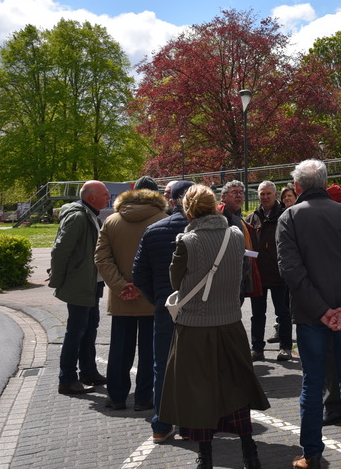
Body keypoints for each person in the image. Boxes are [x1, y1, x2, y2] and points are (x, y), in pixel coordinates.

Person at [159, 185, 269, 469]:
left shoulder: (186, 242)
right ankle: (251, 453)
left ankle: (205, 458)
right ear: (214, 205)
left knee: (199, 395)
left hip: (194, 328)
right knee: (236, 391)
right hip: (231, 323)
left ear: (188, 210)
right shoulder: (235, 235)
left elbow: (176, 283)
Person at [277, 159, 341, 469]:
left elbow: (290, 270)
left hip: (310, 315)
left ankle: (312, 455)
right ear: (325, 182)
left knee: (313, 383)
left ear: (299, 186)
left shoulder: (289, 217)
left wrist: (321, 310)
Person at [94, 176, 167, 411]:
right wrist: (141, 285)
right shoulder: (164, 221)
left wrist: (121, 286)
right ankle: (144, 397)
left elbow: (101, 258)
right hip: (151, 297)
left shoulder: (112, 221)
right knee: (149, 350)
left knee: (119, 348)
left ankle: (116, 396)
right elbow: (165, 262)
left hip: (121, 297)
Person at [133, 179, 195, 444]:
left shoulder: (154, 231)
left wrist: (157, 298)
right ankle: (192, 425)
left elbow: (139, 274)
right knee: (195, 367)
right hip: (199, 311)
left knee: (163, 367)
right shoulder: (208, 231)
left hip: (165, 308)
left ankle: (161, 424)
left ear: (172, 201)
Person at [50, 180, 110, 395]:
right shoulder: (78, 217)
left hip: (91, 283)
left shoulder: (90, 215)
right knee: (76, 331)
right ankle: (67, 379)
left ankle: (88, 372)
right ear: (91, 197)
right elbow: (60, 250)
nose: (108, 197)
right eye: (105, 194)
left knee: (89, 328)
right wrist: (57, 279)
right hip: (79, 284)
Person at [246, 181, 293, 362]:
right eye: (262, 194)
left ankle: (286, 347)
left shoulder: (286, 215)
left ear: (275, 195)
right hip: (258, 275)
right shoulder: (252, 218)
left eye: (268, 194)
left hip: (280, 274)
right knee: (257, 314)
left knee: (283, 313)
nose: (265, 197)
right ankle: (257, 348)